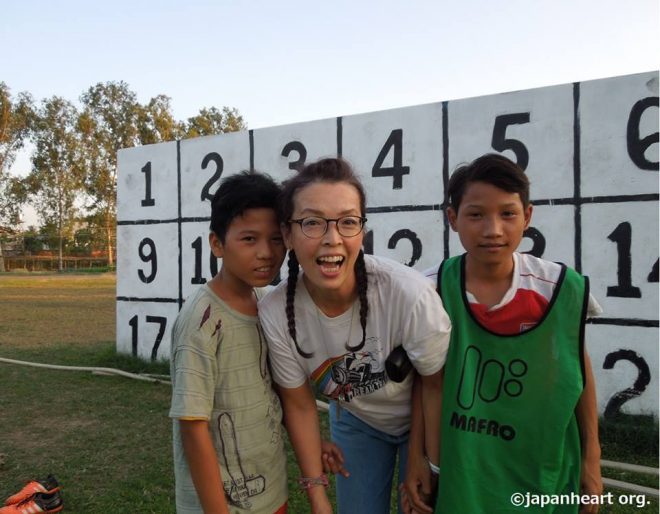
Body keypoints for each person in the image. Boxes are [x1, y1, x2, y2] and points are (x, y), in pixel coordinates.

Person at [403, 153, 603, 514]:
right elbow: (426, 381)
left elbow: (578, 370)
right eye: (476, 214)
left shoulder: (559, 288)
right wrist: (417, 457)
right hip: (466, 467)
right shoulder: (430, 290)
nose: (493, 229)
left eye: (507, 214)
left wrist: (592, 458)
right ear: (453, 219)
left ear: (527, 216)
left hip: (542, 465)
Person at [258, 157, 452, 514]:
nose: (332, 239)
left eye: (348, 222)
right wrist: (317, 493)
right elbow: (299, 404)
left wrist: (426, 461)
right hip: (356, 420)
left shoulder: (408, 295)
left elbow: (435, 384)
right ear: (287, 234)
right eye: (312, 223)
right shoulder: (275, 313)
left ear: (362, 231)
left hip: (422, 418)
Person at [169, 171, 289, 514]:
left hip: (271, 490)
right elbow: (192, 428)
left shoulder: (267, 303)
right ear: (217, 243)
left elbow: (279, 393)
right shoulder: (201, 323)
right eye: (249, 239)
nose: (266, 253)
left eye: (276, 239)